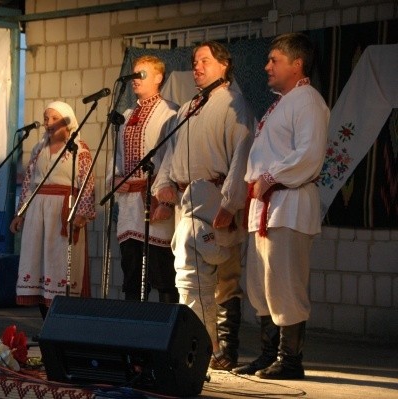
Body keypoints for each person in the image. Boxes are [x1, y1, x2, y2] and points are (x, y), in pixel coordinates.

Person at [233, 32, 329, 380]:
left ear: (297, 63)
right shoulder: (281, 103)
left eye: (274, 59)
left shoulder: (308, 101)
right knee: (261, 284)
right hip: (266, 205)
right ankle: (268, 353)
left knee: (285, 283)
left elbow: (309, 154)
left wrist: (271, 178)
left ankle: (291, 361)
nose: (267, 66)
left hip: (288, 203)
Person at [152, 41, 253, 364]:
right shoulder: (188, 108)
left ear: (224, 65)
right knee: (189, 277)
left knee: (225, 277)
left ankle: (225, 349)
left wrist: (231, 203)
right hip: (187, 202)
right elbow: (172, 152)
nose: (197, 67)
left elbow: (243, 154)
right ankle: (199, 343)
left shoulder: (234, 105)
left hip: (215, 198)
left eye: (204, 61)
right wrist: (164, 185)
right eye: (195, 62)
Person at [10, 101, 95, 319]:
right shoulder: (39, 149)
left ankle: (64, 324)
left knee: (60, 267)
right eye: (46, 118)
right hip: (38, 214)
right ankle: (46, 323)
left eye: (54, 118)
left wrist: (81, 214)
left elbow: (87, 183)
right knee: (38, 265)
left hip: (63, 212)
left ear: (68, 122)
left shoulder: (79, 149)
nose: (48, 123)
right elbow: (29, 183)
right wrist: (20, 213)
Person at [111, 55, 179, 303]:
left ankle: (164, 330)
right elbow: (118, 154)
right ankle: (133, 328)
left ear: (159, 78)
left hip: (153, 199)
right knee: (131, 272)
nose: (135, 80)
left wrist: (165, 199)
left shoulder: (170, 112)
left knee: (162, 271)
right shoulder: (128, 114)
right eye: (134, 75)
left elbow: (172, 156)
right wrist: (116, 177)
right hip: (129, 204)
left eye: (142, 74)